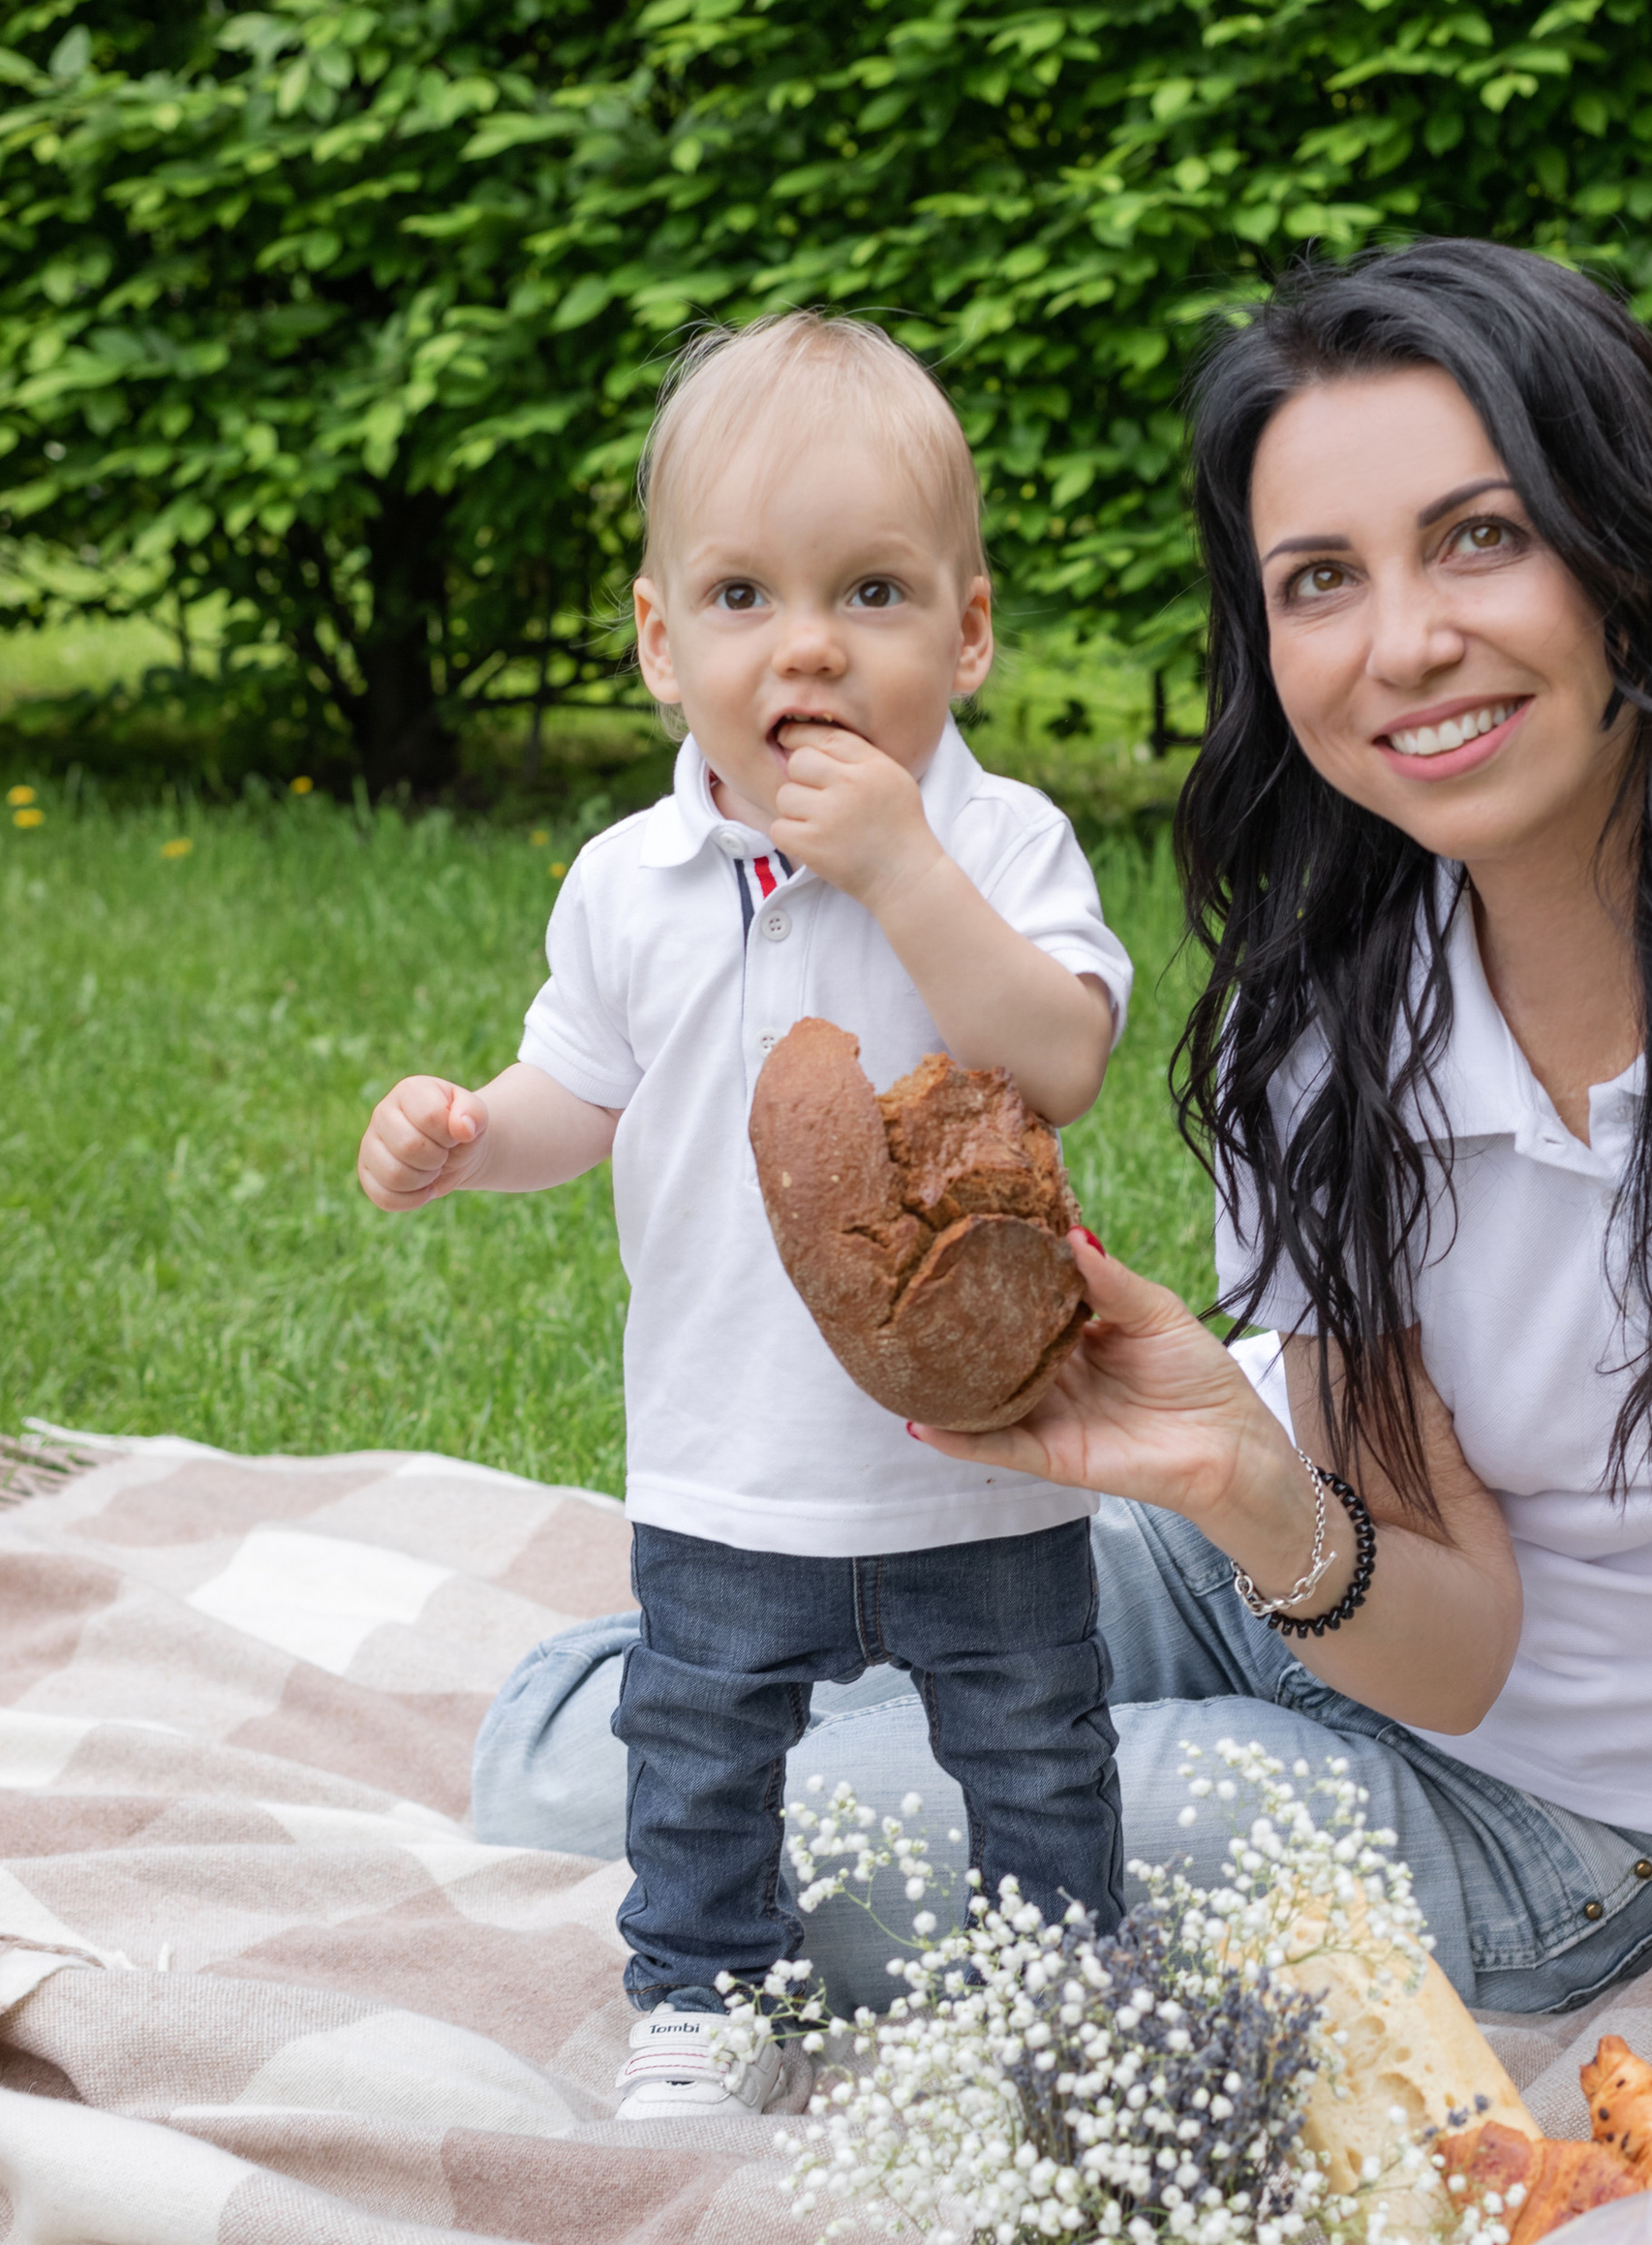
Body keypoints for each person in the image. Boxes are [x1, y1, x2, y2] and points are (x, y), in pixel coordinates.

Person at [474, 245, 1652, 2245]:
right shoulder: (1324, 1012)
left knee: (651, 1786)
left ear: (1625, 545)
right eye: (1319, 579)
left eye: (1481, 538)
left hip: (1570, 1819)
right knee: (600, 1745)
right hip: (1321, 1599)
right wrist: (1239, 1482)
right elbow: (1436, 1625)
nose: (1404, 642)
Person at [360, 313, 1132, 2121]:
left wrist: (900, 865)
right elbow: (582, 1094)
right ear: (659, 642)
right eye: (740, 596)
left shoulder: (1001, 845)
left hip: (979, 1448)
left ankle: (1064, 2013)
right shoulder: (628, 881)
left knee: (1034, 1740)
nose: (808, 645)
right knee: (695, 1741)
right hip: (725, 1443)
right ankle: (703, 1993)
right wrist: (472, 1134)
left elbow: (1062, 1054)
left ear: (969, 630)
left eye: (872, 592)